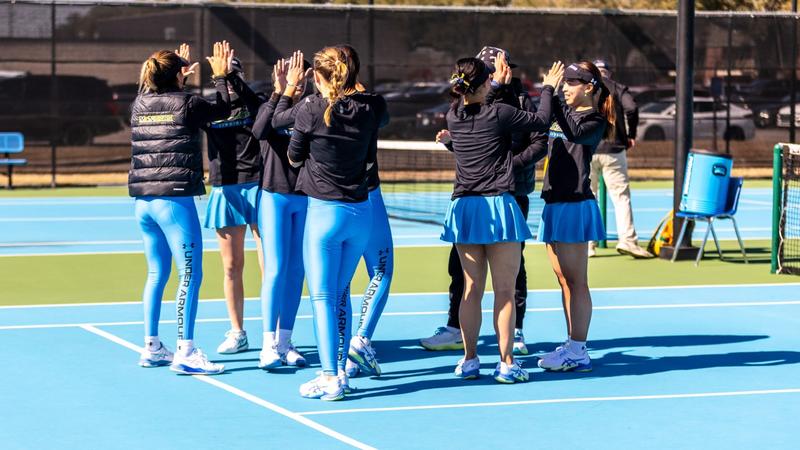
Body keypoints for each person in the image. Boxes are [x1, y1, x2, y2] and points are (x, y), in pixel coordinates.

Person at [437, 57, 563, 384]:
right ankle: (506, 363)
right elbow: (542, 120)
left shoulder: (454, 115)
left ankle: (469, 359)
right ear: (484, 84)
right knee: (504, 290)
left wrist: (494, 85)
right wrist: (548, 86)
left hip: (464, 208)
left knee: (471, 289)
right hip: (497, 207)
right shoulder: (500, 113)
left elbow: (477, 101)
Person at [420, 46, 535, 356]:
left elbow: (536, 141)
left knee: (511, 275)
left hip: (508, 195)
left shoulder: (517, 100)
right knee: (462, 274)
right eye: (497, 67)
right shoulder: (466, 105)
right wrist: (453, 144)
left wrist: (509, 166)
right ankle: (457, 330)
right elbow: (473, 146)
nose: (505, 70)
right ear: (486, 75)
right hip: (476, 196)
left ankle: (516, 331)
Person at [288, 46, 386, 401]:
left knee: (323, 298)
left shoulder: (311, 109)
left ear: (317, 76)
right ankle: (339, 370)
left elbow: (294, 155)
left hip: (324, 216)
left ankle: (331, 376)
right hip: (360, 214)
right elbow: (372, 106)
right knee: (340, 294)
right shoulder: (372, 107)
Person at [131, 42, 234, 375]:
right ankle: (186, 351)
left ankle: (151, 347)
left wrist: (178, 72)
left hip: (144, 202)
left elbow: (166, 99)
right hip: (173, 201)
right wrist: (220, 75)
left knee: (155, 274)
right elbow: (222, 109)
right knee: (191, 274)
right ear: (179, 75)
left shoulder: (138, 103)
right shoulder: (188, 103)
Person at [517, 61, 613, 372]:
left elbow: (572, 130)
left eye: (573, 82)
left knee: (577, 281)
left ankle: (578, 349)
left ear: (589, 87)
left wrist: (552, 94)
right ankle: (572, 343)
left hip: (575, 205)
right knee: (563, 280)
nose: (566, 87)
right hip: (554, 203)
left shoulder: (594, 120)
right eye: (565, 82)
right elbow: (537, 118)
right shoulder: (562, 111)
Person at [249, 51, 312, 370]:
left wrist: (297, 93)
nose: (298, 84)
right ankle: (267, 345)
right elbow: (261, 130)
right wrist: (282, 91)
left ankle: (285, 341)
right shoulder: (272, 106)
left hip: (303, 197)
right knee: (275, 269)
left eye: (301, 79)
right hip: (274, 197)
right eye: (292, 78)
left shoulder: (310, 108)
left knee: (297, 270)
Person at [336, 44, 393, 380]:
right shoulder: (371, 105)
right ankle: (360, 339)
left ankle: (341, 358)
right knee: (382, 270)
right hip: (366, 197)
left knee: (337, 284)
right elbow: (381, 114)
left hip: (326, 203)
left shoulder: (313, 107)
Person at [204, 53, 266, 355]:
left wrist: (229, 77)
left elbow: (258, 107)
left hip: (257, 184)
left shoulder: (256, 101)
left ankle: (275, 335)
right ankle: (237, 331)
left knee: (271, 266)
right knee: (231, 267)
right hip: (225, 188)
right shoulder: (209, 105)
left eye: (233, 73)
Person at [588, 59, 652, 259]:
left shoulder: (585, 87)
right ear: (609, 73)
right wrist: (631, 135)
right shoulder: (617, 88)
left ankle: (588, 245)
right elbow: (631, 108)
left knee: (589, 198)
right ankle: (628, 240)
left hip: (588, 148)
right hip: (614, 148)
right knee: (621, 197)